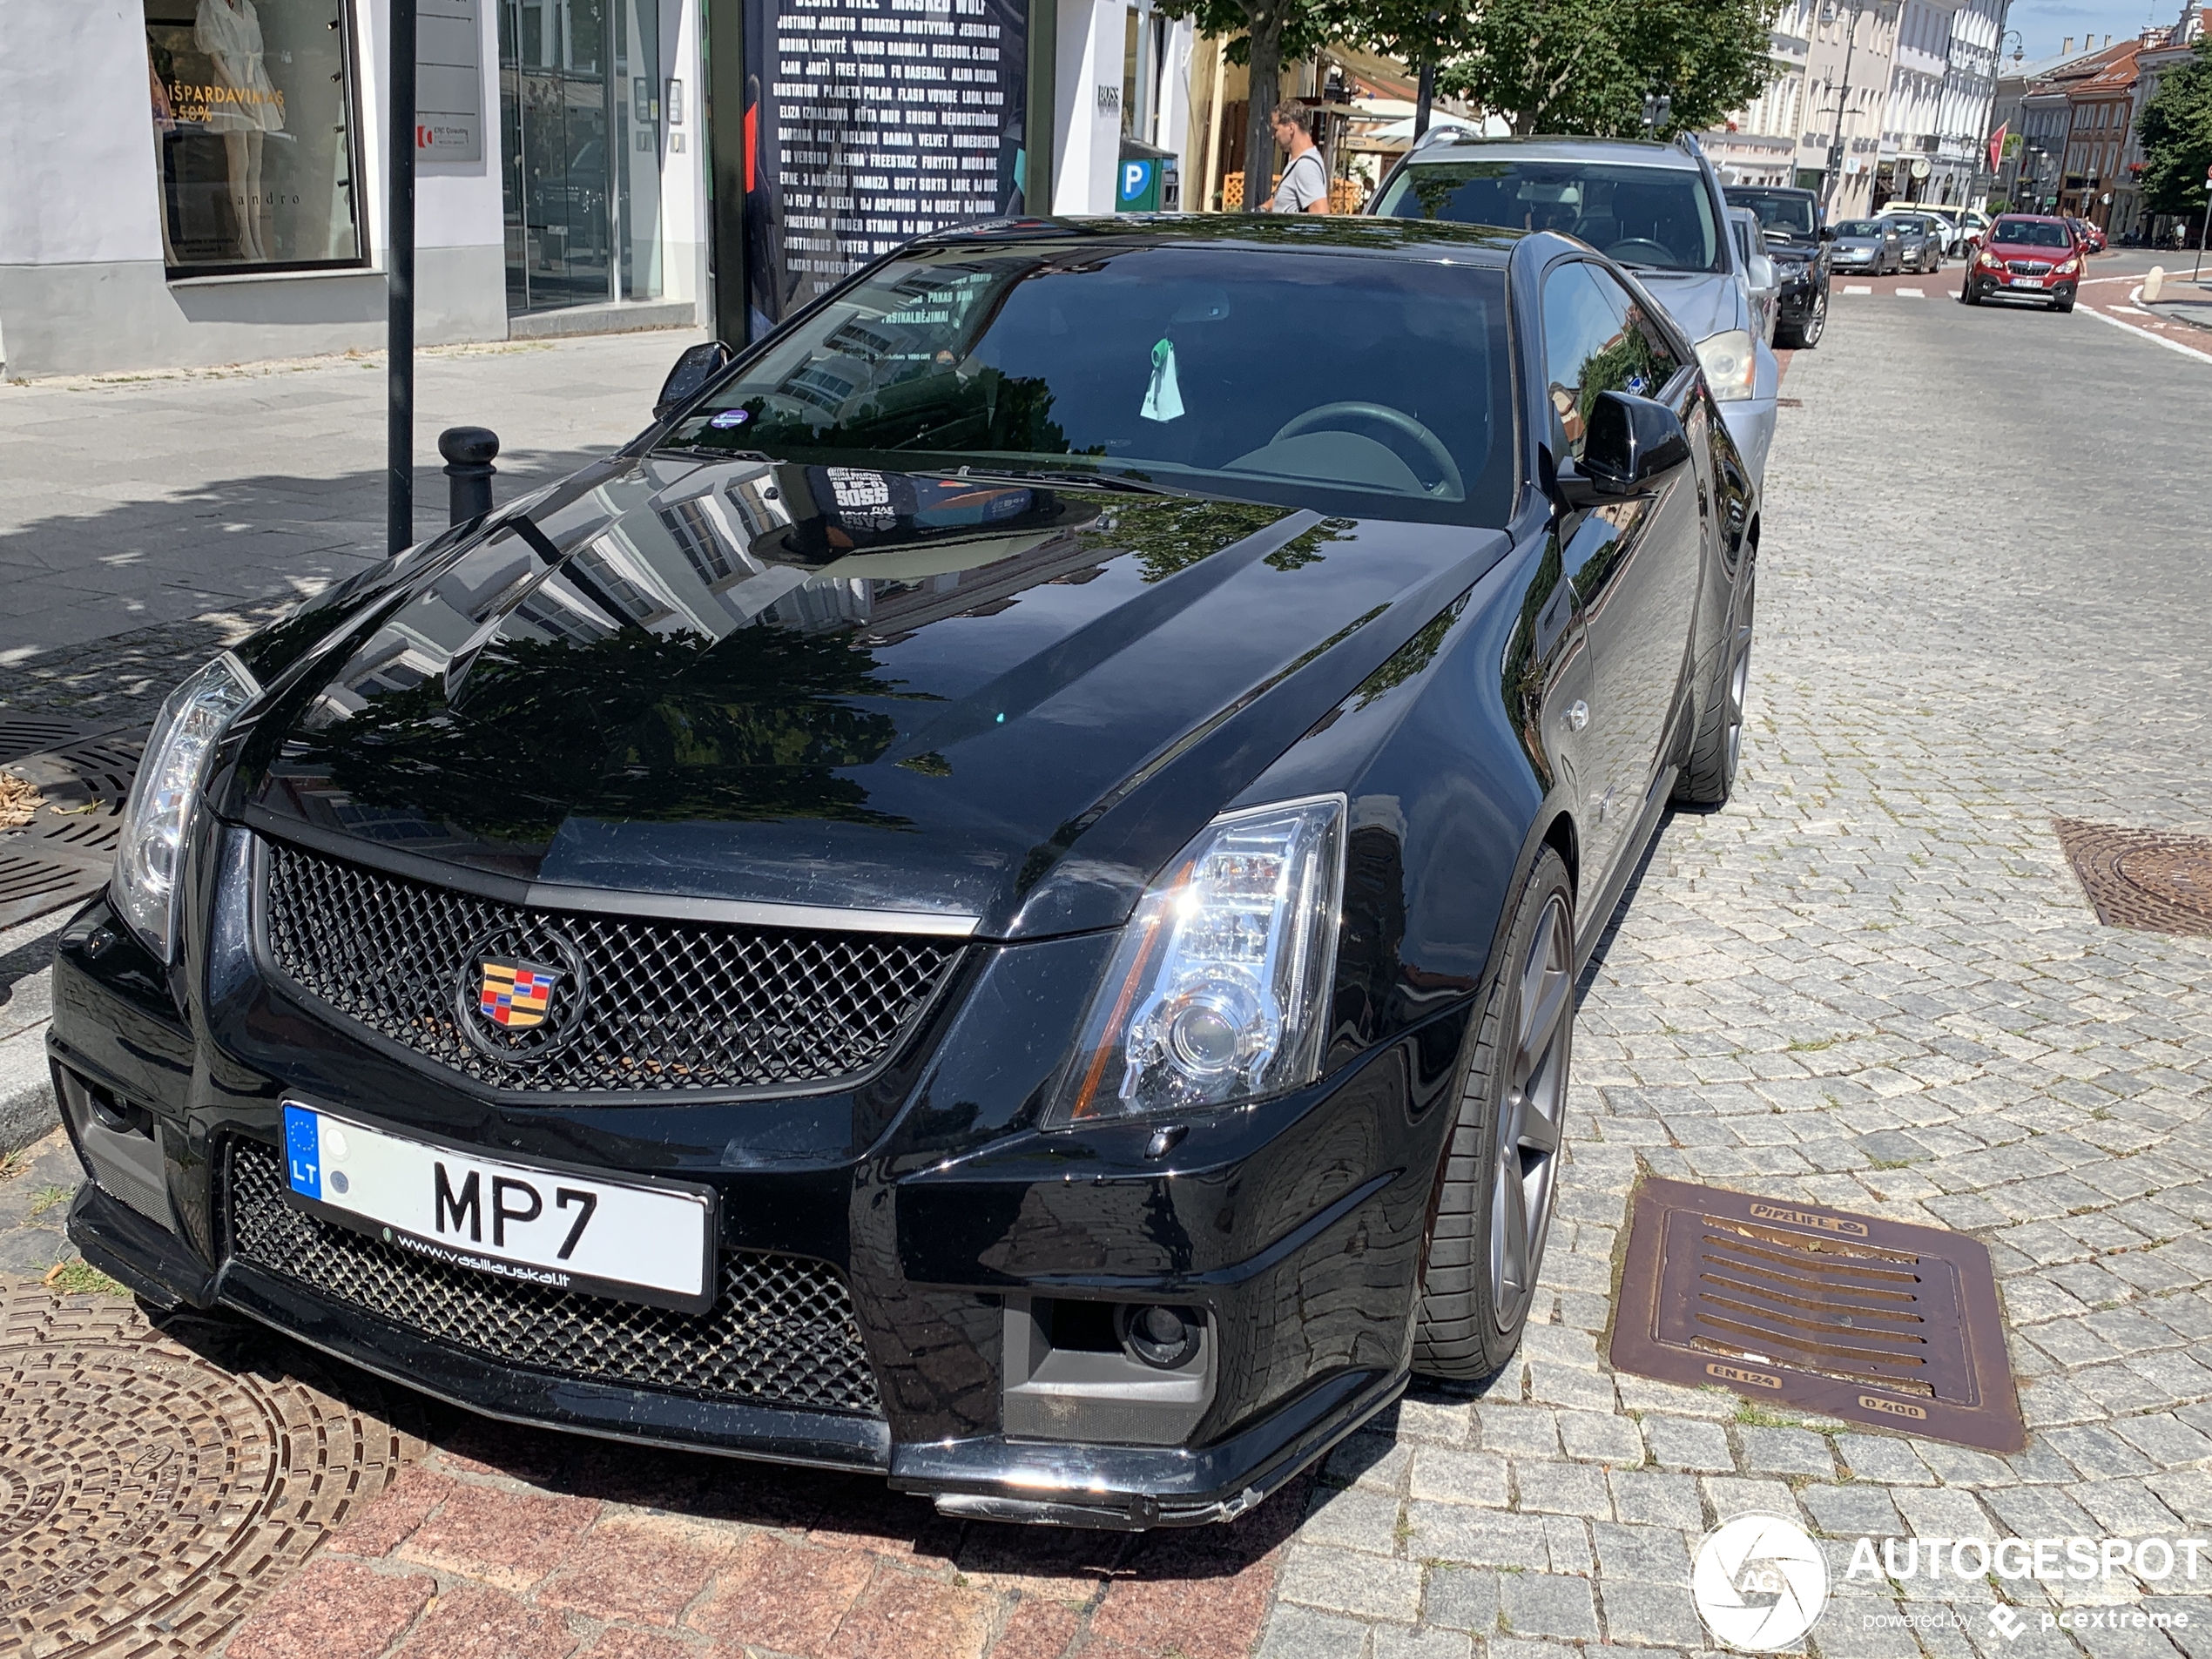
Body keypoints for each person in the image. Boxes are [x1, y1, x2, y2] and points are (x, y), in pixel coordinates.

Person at [1266, 105, 1329, 214]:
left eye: (1276, 130)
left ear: (1291, 128)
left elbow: (1320, 213)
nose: (1273, 136)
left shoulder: (1305, 166)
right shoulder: (1300, 162)